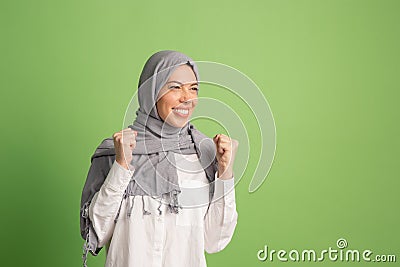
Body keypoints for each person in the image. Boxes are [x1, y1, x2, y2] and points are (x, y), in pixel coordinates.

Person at [80, 50, 239, 267]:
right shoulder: (115, 152)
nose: (187, 98)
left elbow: (215, 241)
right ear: (151, 91)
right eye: (175, 87)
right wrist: (121, 165)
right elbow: (97, 232)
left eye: (193, 88)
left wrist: (225, 172)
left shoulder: (204, 154)